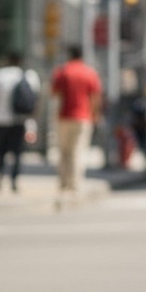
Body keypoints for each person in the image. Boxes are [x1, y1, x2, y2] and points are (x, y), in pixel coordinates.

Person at [51, 45, 102, 198]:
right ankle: (75, 184)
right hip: (83, 117)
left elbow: (55, 93)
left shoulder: (62, 71)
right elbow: (95, 96)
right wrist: (95, 114)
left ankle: (63, 183)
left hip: (64, 116)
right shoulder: (89, 72)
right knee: (78, 150)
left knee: (64, 151)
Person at [0, 52, 40, 193]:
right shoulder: (29, 76)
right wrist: (32, 121)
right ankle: (14, 180)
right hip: (20, 119)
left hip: (1, 119)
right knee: (17, 152)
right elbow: (35, 102)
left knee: (1, 150)